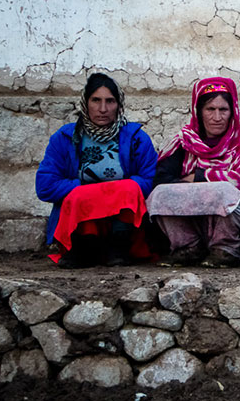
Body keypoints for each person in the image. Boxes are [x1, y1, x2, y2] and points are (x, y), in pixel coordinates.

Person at [35, 72, 157, 267]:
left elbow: (150, 180)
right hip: (81, 226)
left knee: (130, 189)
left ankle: (117, 249)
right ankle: (84, 250)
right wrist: (84, 189)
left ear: (119, 104)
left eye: (110, 101)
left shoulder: (136, 138)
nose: (102, 109)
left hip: (122, 227)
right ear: (85, 102)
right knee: (80, 195)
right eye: (96, 100)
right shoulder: (65, 138)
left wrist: (113, 191)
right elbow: (45, 186)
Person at [148, 77, 240, 267]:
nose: (217, 117)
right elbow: (162, 180)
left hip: (231, 222)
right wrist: (205, 187)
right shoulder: (183, 142)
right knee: (159, 194)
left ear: (232, 111)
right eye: (210, 109)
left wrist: (198, 177)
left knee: (226, 192)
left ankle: (225, 249)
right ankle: (188, 247)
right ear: (198, 111)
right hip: (192, 221)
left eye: (223, 110)